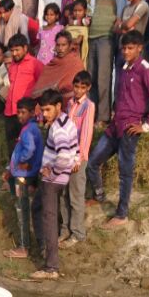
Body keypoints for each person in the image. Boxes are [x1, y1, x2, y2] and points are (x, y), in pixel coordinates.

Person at [86, 31, 149, 227]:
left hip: (130, 128)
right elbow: (121, 94)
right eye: (124, 48)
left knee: (125, 171)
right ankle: (99, 195)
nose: (126, 51)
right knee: (92, 161)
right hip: (115, 125)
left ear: (139, 48)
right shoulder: (123, 67)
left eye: (130, 48)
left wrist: (146, 126)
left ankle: (122, 214)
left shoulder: (145, 69)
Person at [32, 90, 80, 280]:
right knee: (37, 207)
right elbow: (74, 149)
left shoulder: (57, 129)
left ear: (59, 107)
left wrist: (52, 172)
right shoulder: (67, 121)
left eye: (48, 110)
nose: (44, 114)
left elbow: (63, 156)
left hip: (52, 180)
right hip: (60, 178)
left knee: (49, 220)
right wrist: (74, 161)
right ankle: (44, 246)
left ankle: (51, 267)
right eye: (42, 110)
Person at [2, 99, 44, 260]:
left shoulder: (28, 130)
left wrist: (20, 163)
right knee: (24, 208)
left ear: (32, 113)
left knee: (21, 210)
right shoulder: (30, 128)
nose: (19, 115)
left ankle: (23, 247)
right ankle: (27, 244)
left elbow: (29, 150)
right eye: (18, 112)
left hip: (22, 176)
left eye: (23, 112)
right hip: (23, 174)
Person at [60, 70, 95, 243]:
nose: (78, 90)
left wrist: (77, 158)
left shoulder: (88, 106)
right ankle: (65, 229)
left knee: (76, 197)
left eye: (82, 87)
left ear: (88, 88)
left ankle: (78, 233)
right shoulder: (70, 103)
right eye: (76, 86)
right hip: (66, 155)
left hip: (77, 159)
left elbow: (86, 134)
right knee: (63, 195)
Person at [4, 33, 40, 148]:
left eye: (17, 50)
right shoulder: (12, 65)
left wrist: (38, 104)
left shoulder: (35, 63)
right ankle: (12, 165)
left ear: (25, 48)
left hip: (25, 112)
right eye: (12, 50)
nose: (14, 53)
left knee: (26, 144)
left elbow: (43, 85)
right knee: (11, 142)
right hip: (9, 111)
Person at [32, 30, 85, 99]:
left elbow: (80, 85)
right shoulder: (51, 65)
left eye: (63, 45)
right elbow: (38, 90)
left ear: (70, 46)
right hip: (51, 104)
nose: (60, 48)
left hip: (73, 103)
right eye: (58, 45)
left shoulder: (76, 63)